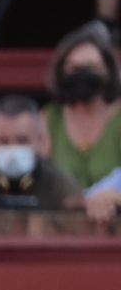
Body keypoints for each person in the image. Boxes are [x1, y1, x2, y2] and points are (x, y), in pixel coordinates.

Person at [42, 22, 121, 189]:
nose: (82, 75)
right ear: (61, 71)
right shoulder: (48, 119)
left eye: (91, 67)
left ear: (108, 71)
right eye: (74, 68)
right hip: (62, 214)